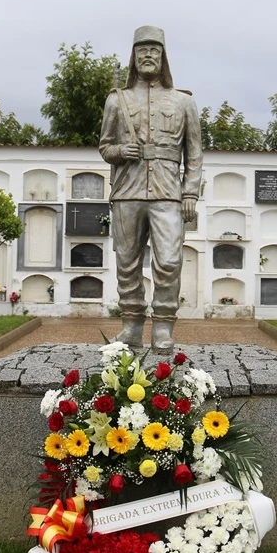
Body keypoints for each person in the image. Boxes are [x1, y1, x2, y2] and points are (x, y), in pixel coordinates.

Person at [99, 25, 202, 353]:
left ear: (163, 57)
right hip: (127, 191)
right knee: (126, 261)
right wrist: (119, 152)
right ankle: (130, 328)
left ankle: (162, 329)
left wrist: (190, 192)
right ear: (133, 57)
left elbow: (194, 153)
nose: (148, 56)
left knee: (169, 261)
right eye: (142, 51)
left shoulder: (183, 102)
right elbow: (104, 146)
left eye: (154, 51)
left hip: (167, 192)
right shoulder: (117, 101)